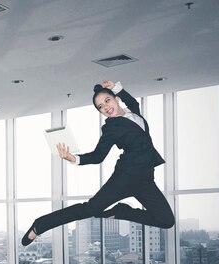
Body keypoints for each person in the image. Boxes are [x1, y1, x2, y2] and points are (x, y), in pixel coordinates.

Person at [21, 80, 175, 246]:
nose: (105, 108)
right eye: (100, 107)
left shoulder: (134, 113)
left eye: (107, 101)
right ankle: (39, 225)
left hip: (146, 179)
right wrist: (74, 158)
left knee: (166, 221)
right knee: (89, 209)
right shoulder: (111, 128)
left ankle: (121, 211)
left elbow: (132, 101)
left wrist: (117, 88)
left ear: (115, 98)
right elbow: (98, 155)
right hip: (125, 178)